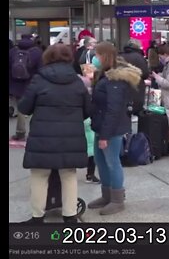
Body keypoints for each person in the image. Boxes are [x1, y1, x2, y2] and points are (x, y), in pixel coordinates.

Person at [18, 44, 91, 223]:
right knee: (68, 174)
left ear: (47, 57)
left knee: (40, 175)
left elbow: (24, 107)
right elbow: (88, 110)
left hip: (42, 137)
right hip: (70, 136)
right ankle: (70, 216)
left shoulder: (38, 80)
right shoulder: (77, 82)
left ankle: (37, 217)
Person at [88, 42, 141, 215]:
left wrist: (105, 135)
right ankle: (107, 194)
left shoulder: (115, 79)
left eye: (97, 54)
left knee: (112, 162)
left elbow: (114, 109)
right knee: (101, 161)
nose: (95, 58)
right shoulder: (104, 75)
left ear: (104, 56)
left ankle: (117, 199)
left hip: (112, 128)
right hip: (100, 125)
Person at [9, 34, 43, 141]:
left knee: (21, 109)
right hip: (33, 83)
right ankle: (36, 132)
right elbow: (41, 69)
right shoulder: (37, 52)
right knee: (36, 108)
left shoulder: (13, 51)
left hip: (17, 85)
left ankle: (20, 132)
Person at [120, 39, 149, 116]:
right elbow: (145, 73)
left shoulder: (120, 56)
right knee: (136, 112)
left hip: (122, 88)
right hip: (136, 88)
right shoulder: (139, 57)